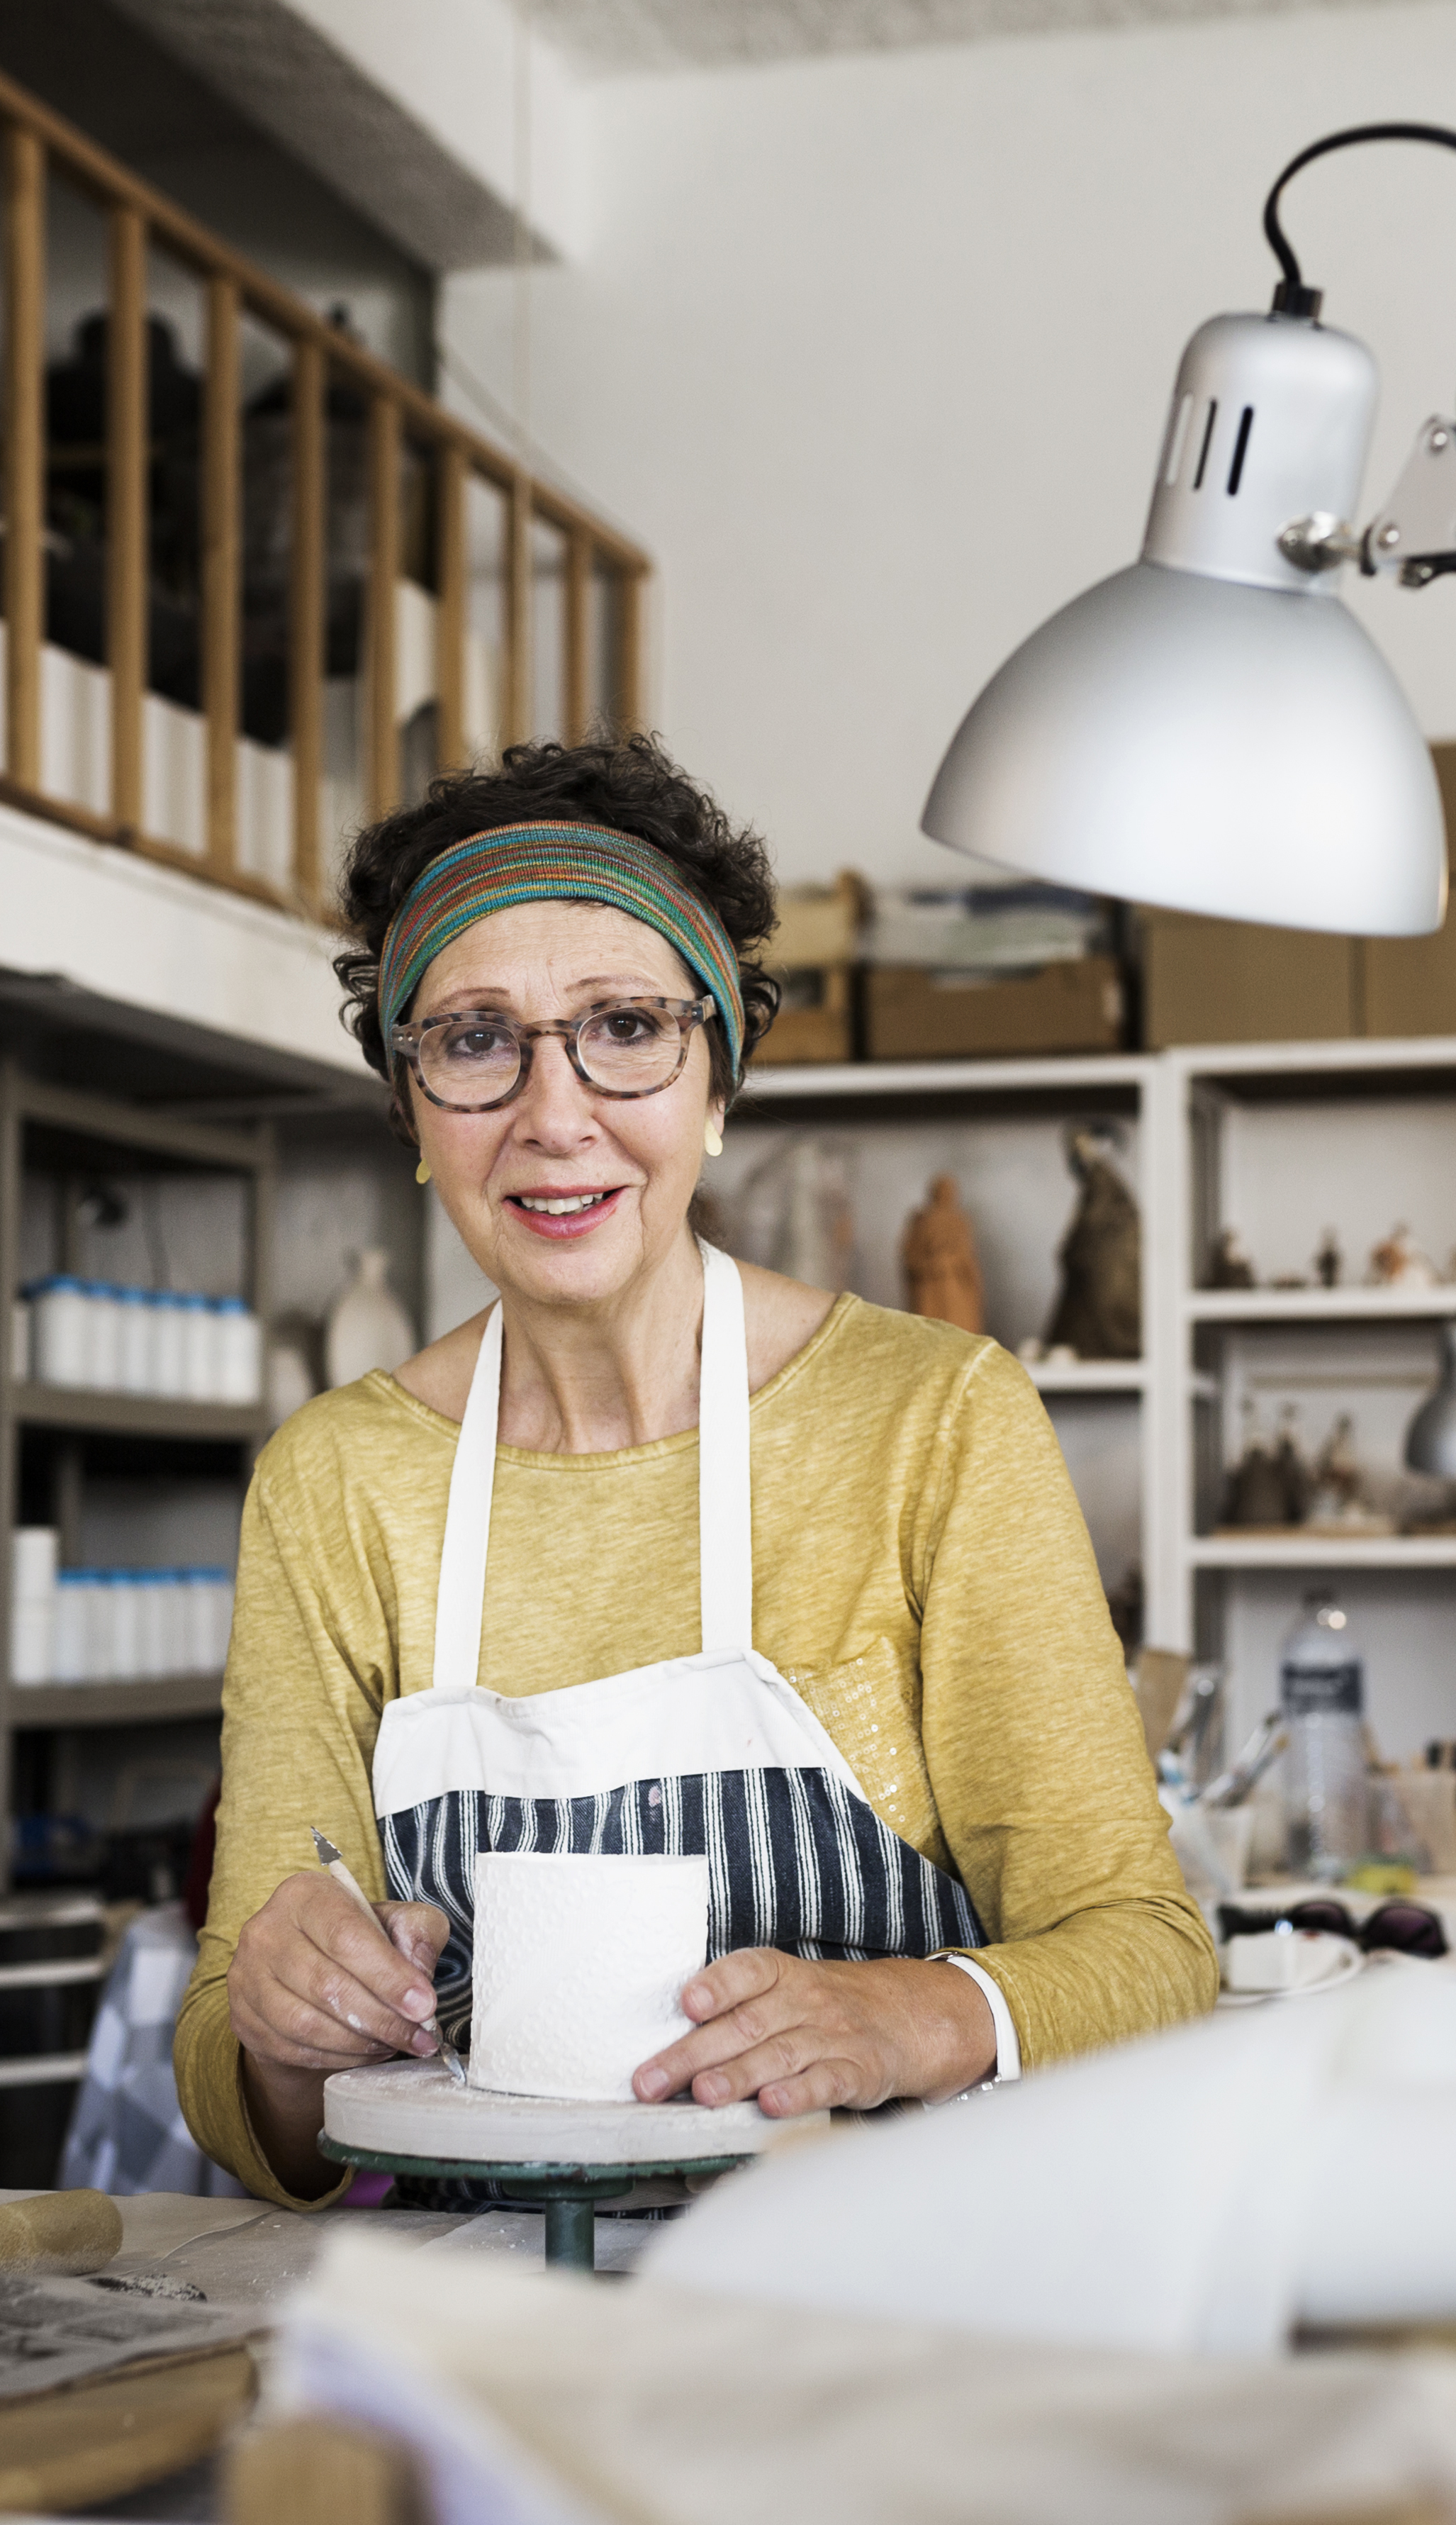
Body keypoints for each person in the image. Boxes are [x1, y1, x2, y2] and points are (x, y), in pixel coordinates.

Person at [177, 737, 1216, 2206]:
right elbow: (240, 2079)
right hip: (503, 2343)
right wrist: (283, 2031)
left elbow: (1150, 1952)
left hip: (894, 2310)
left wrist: (906, 2014)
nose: (555, 1112)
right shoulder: (339, 1480)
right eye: (476, 1040)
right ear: (411, 1110)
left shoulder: (935, 1422)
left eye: (625, 1026)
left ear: (718, 1082)